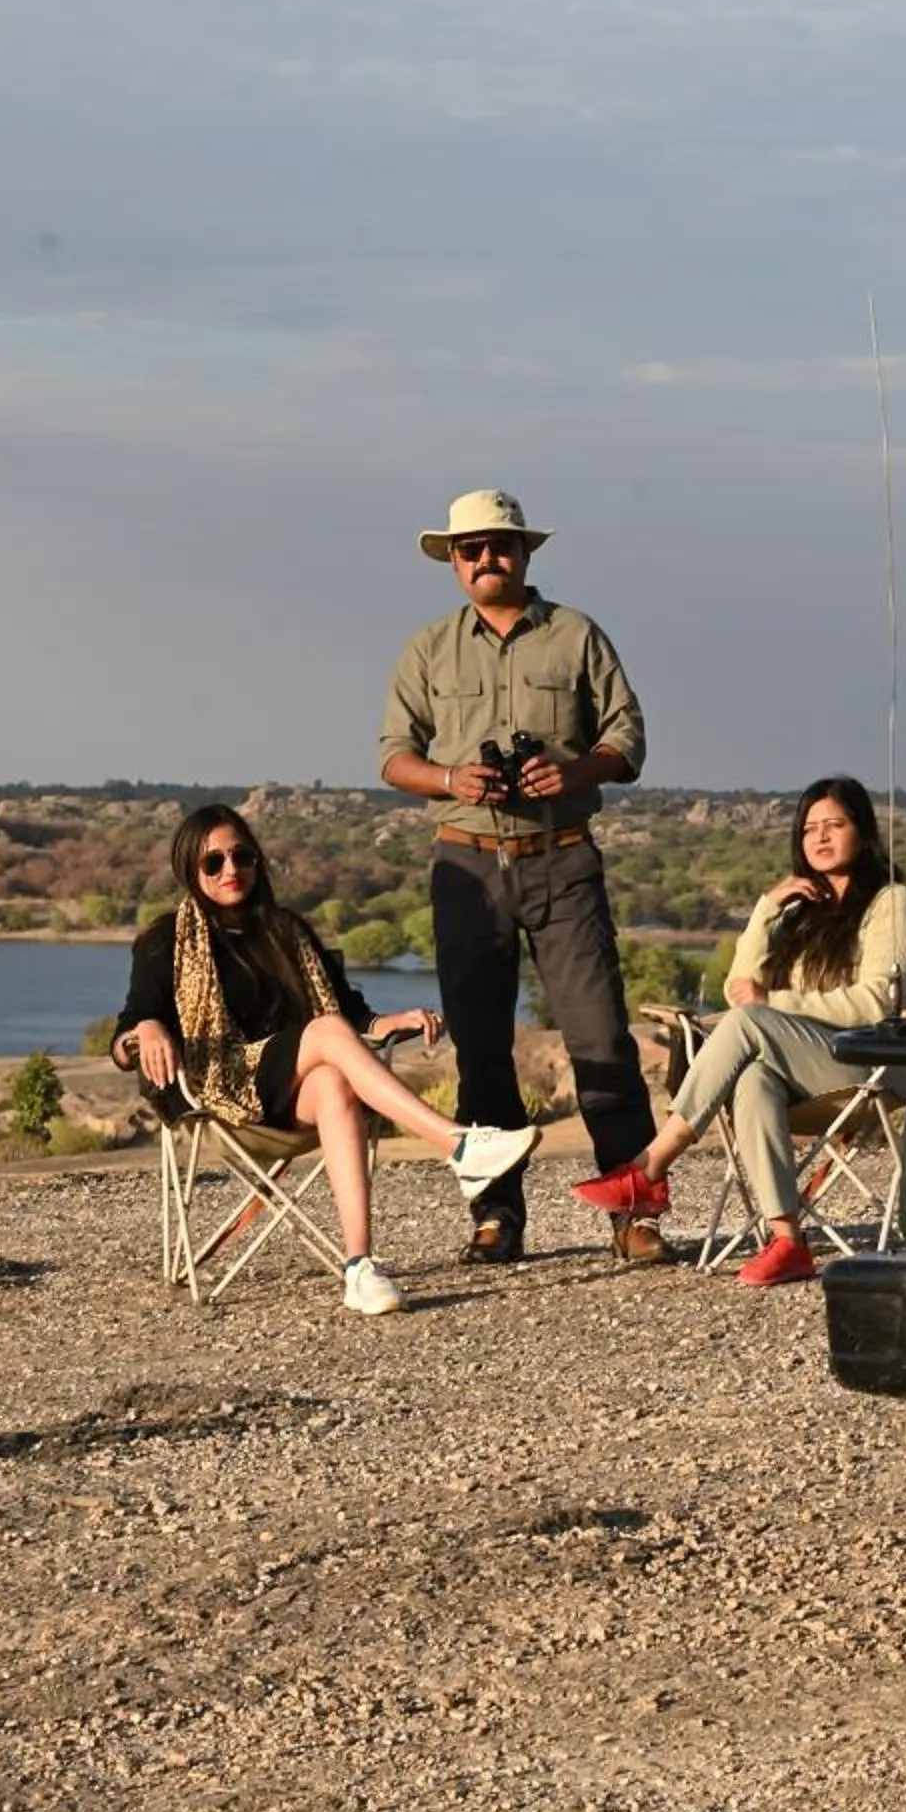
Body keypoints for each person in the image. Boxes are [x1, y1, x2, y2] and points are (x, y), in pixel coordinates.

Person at [378, 488, 665, 1266]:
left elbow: (628, 738)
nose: (486, 559)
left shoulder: (576, 635)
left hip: (562, 858)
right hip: (466, 866)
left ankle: (633, 1209)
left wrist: (572, 771)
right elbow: (392, 754)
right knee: (480, 1048)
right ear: (453, 561)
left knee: (601, 1037)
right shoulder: (429, 648)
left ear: (525, 552)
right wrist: (450, 780)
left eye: (499, 545)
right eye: (470, 549)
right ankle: (497, 1214)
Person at [112, 803, 539, 1316]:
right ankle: (458, 1146)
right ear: (190, 870)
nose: (231, 870)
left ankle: (360, 1266)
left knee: (337, 1079)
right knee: (328, 1036)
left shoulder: (286, 931)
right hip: (219, 1096)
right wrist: (147, 1028)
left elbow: (351, 1012)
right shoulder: (165, 941)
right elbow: (126, 1033)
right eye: (213, 863)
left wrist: (390, 1023)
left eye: (241, 856)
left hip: (292, 1094)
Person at [571, 776, 906, 1287]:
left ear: (863, 832)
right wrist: (767, 909)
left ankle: (649, 1169)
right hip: (807, 1070)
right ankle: (788, 1240)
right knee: (751, 1080)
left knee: (749, 1024)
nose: (821, 838)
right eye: (810, 829)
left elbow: (878, 1001)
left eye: (835, 825)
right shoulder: (801, 910)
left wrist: (773, 1003)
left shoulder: (892, 902)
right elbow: (740, 985)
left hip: (870, 1063)